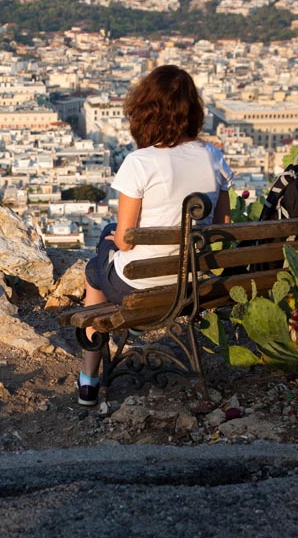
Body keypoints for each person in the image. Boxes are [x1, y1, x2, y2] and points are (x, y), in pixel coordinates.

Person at [78, 65, 233, 406]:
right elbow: (222, 226)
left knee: (95, 267)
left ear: (144, 112)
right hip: (192, 282)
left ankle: (89, 379)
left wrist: (113, 241)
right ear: (194, 111)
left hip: (140, 284)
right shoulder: (213, 156)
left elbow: (126, 239)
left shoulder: (140, 162)